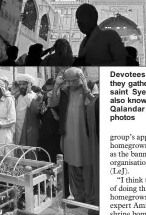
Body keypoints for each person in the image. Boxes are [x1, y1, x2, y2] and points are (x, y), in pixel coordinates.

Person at [51, 67, 96, 207]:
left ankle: (91, 200)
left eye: (74, 80)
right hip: (69, 136)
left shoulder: (89, 87)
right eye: (68, 81)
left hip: (87, 137)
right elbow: (52, 104)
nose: (71, 84)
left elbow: (95, 103)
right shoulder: (64, 90)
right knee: (73, 167)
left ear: (81, 78)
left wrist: (85, 86)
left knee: (88, 168)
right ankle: (79, 199)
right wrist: (57, 85)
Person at [14, 74, 37, 146]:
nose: (21, 86)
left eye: (24, 84)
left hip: (29, 129)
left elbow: (35, 109)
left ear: (30, 85)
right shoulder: (17, 97)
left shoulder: (34, 96)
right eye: (20, 84)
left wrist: (28, 94)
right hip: (17, 128)